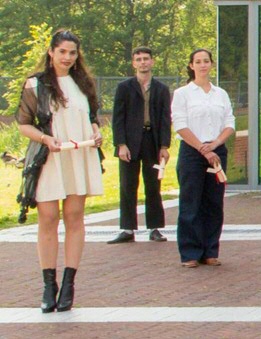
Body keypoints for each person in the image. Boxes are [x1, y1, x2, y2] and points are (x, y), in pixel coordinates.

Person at [17, 29, 103, 313]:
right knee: (48, 217)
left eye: (73, 52)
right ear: (51, 51)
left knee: (75, 216)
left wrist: (95, 131)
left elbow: (92, 118)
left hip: (79, 155)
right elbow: (24, 124)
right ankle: (47, 285)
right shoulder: (35, 84)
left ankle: (69, 284)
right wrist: (45, 139)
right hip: (49, 157)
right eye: (62, 51)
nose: (67, 57)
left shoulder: (83, 83)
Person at [172, 48, 234, 269]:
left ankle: (210, 250)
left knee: (214, 202)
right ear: (191, 66)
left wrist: (215, 145)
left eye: (206, 61)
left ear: (211, 64)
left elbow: (229, 123)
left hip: (217, 151)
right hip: (192, 153)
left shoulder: (221, 94)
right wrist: (202, 149)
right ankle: (190, 252)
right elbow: (180, 125)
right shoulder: (182, 94)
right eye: (197, 61)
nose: (202, 65)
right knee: (191, 203)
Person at [109, 46, 171, 244]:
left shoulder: (161, 89)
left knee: (153, 185)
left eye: (146, 58)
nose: (143, 62)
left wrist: (164, 146)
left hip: (152, 141)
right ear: (133, 63)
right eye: (139, 59)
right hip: (130, 143)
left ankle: (155, 228)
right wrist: (120, 144)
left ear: (152, 62)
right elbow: (117, 118)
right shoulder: (124, 88)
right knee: (128, 185)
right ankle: (127, 229)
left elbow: (164, 119)